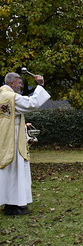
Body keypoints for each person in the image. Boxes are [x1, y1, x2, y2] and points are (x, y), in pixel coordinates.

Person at [0, 72, 50, 216]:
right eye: (19, 83)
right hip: (13, 140)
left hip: (4, 137)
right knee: (16, 172)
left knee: (7, 173)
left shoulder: (1, 95)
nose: (21, 86)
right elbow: (31, 103)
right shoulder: (11, 97)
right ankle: (13, 206)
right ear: (11, 83)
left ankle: (11, 203)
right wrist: (40, 86)